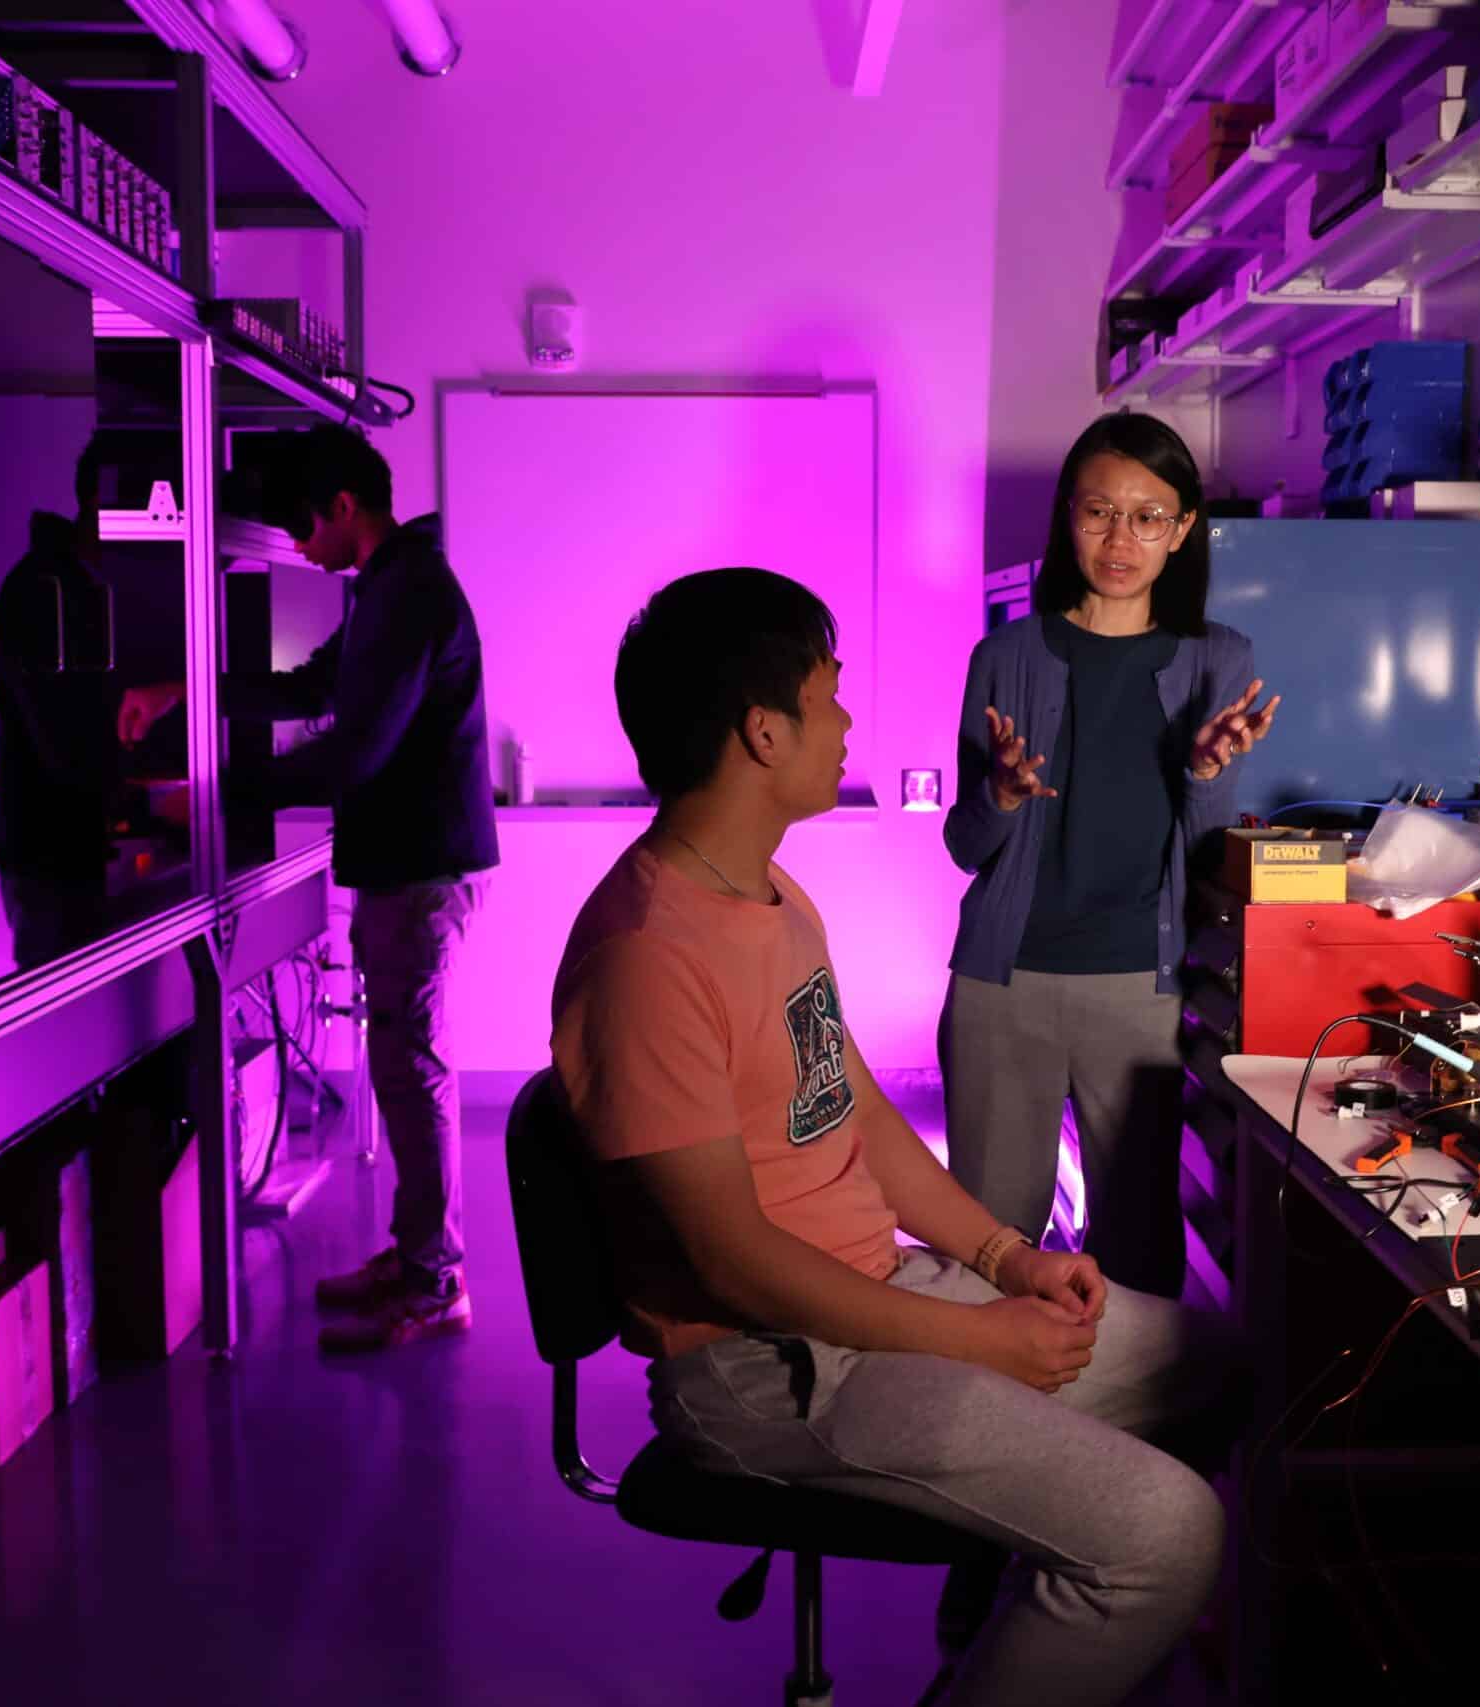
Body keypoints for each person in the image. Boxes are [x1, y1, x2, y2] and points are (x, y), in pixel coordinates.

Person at [551, 568, 1229, 1707]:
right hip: (766, 1373)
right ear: (763, 733)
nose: (847, 721)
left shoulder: (768, 895)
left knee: (1218, 1363)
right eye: (830, 696)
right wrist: (977, 1342)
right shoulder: (645, 954)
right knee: (1166, 1534)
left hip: (867, 1297)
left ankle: (1024, 1639)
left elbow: (855, 1111)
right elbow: (730, 1266)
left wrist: (1006, 1261)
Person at [119, 425, 498, 1352]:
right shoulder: (387, 588)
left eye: (301, 522)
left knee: (413, 1073)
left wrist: (210, 796)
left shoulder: (408, 593)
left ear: (342, 508)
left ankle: (435, 1281)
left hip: (419, 870)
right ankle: (417, 1257)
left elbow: (355, 749)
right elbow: (305, 688)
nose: (294, 542)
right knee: (405, 1071)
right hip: (404, 867)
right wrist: (183, 689)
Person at [942, 413, 1275, 1302]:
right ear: (1066, 516)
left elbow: (1210, 861)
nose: (1121, 539)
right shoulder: (1005, 656)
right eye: (1098, 512)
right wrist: (1001, 796)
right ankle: (993, 1430)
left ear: (1184, 528)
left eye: (1148, 516)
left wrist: (1206, 771)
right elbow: (963, 844)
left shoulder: (1220, 657)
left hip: (1140, 991)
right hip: (1002, 986)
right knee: (988, 1246)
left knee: (1137, 1249)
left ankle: (1116, 1433)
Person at [0, 444, 124, 970]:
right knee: (62, 1015)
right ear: (97, 498)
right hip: (48, 853)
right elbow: (56, 735)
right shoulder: (40, 591)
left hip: (63, 847)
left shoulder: (79, 586)